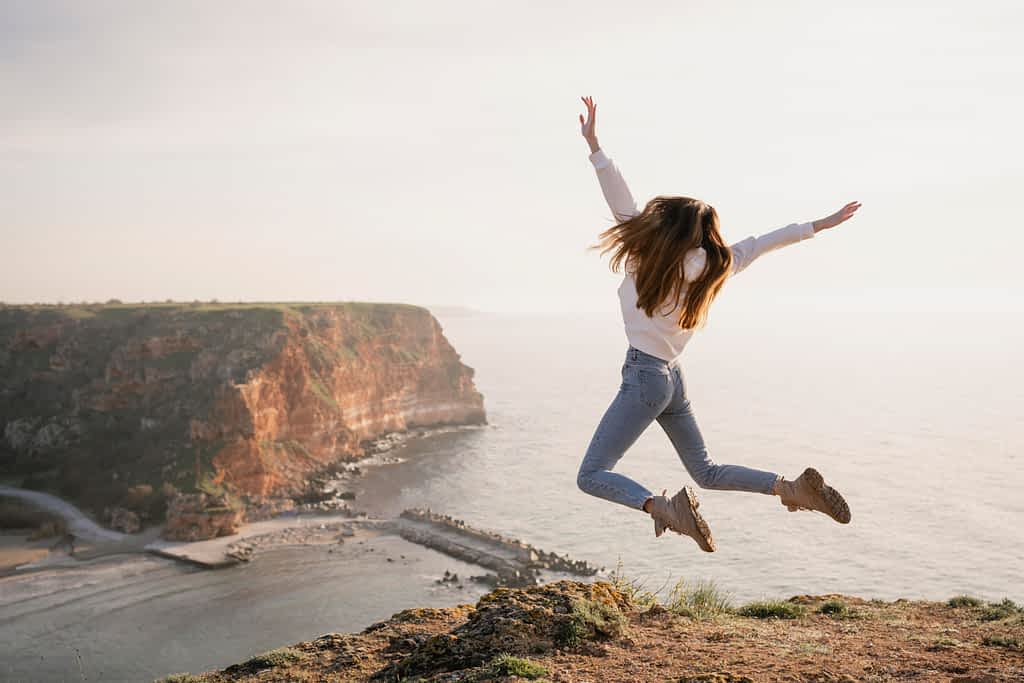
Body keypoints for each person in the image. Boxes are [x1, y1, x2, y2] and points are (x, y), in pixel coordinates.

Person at [575, 95, 860, 552]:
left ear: (662, 227)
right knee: (705, 471)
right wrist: (818, 225)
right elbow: (764, 241)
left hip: (646, 377)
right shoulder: (717, 266)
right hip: (671, 378)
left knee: (591, 475)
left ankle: (661, 508)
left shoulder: (643, 254)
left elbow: (618, 197)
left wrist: (595, 147)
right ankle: (791, 489)